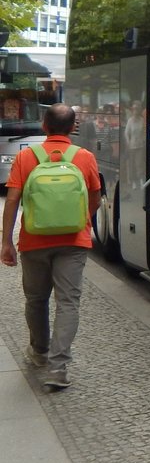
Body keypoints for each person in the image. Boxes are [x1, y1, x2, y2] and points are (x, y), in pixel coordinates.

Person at [1, 104, 102, 389]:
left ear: (44, 126)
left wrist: (6, 241)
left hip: (34, 240)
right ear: (73, 128)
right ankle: (59, 368)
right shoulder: (85, 157)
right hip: (73, 242)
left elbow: (11, 200)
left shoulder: (25, 156)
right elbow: (95, 198)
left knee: (36, 299)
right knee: (68, 302)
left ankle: (39, 352)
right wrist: (82, 222)